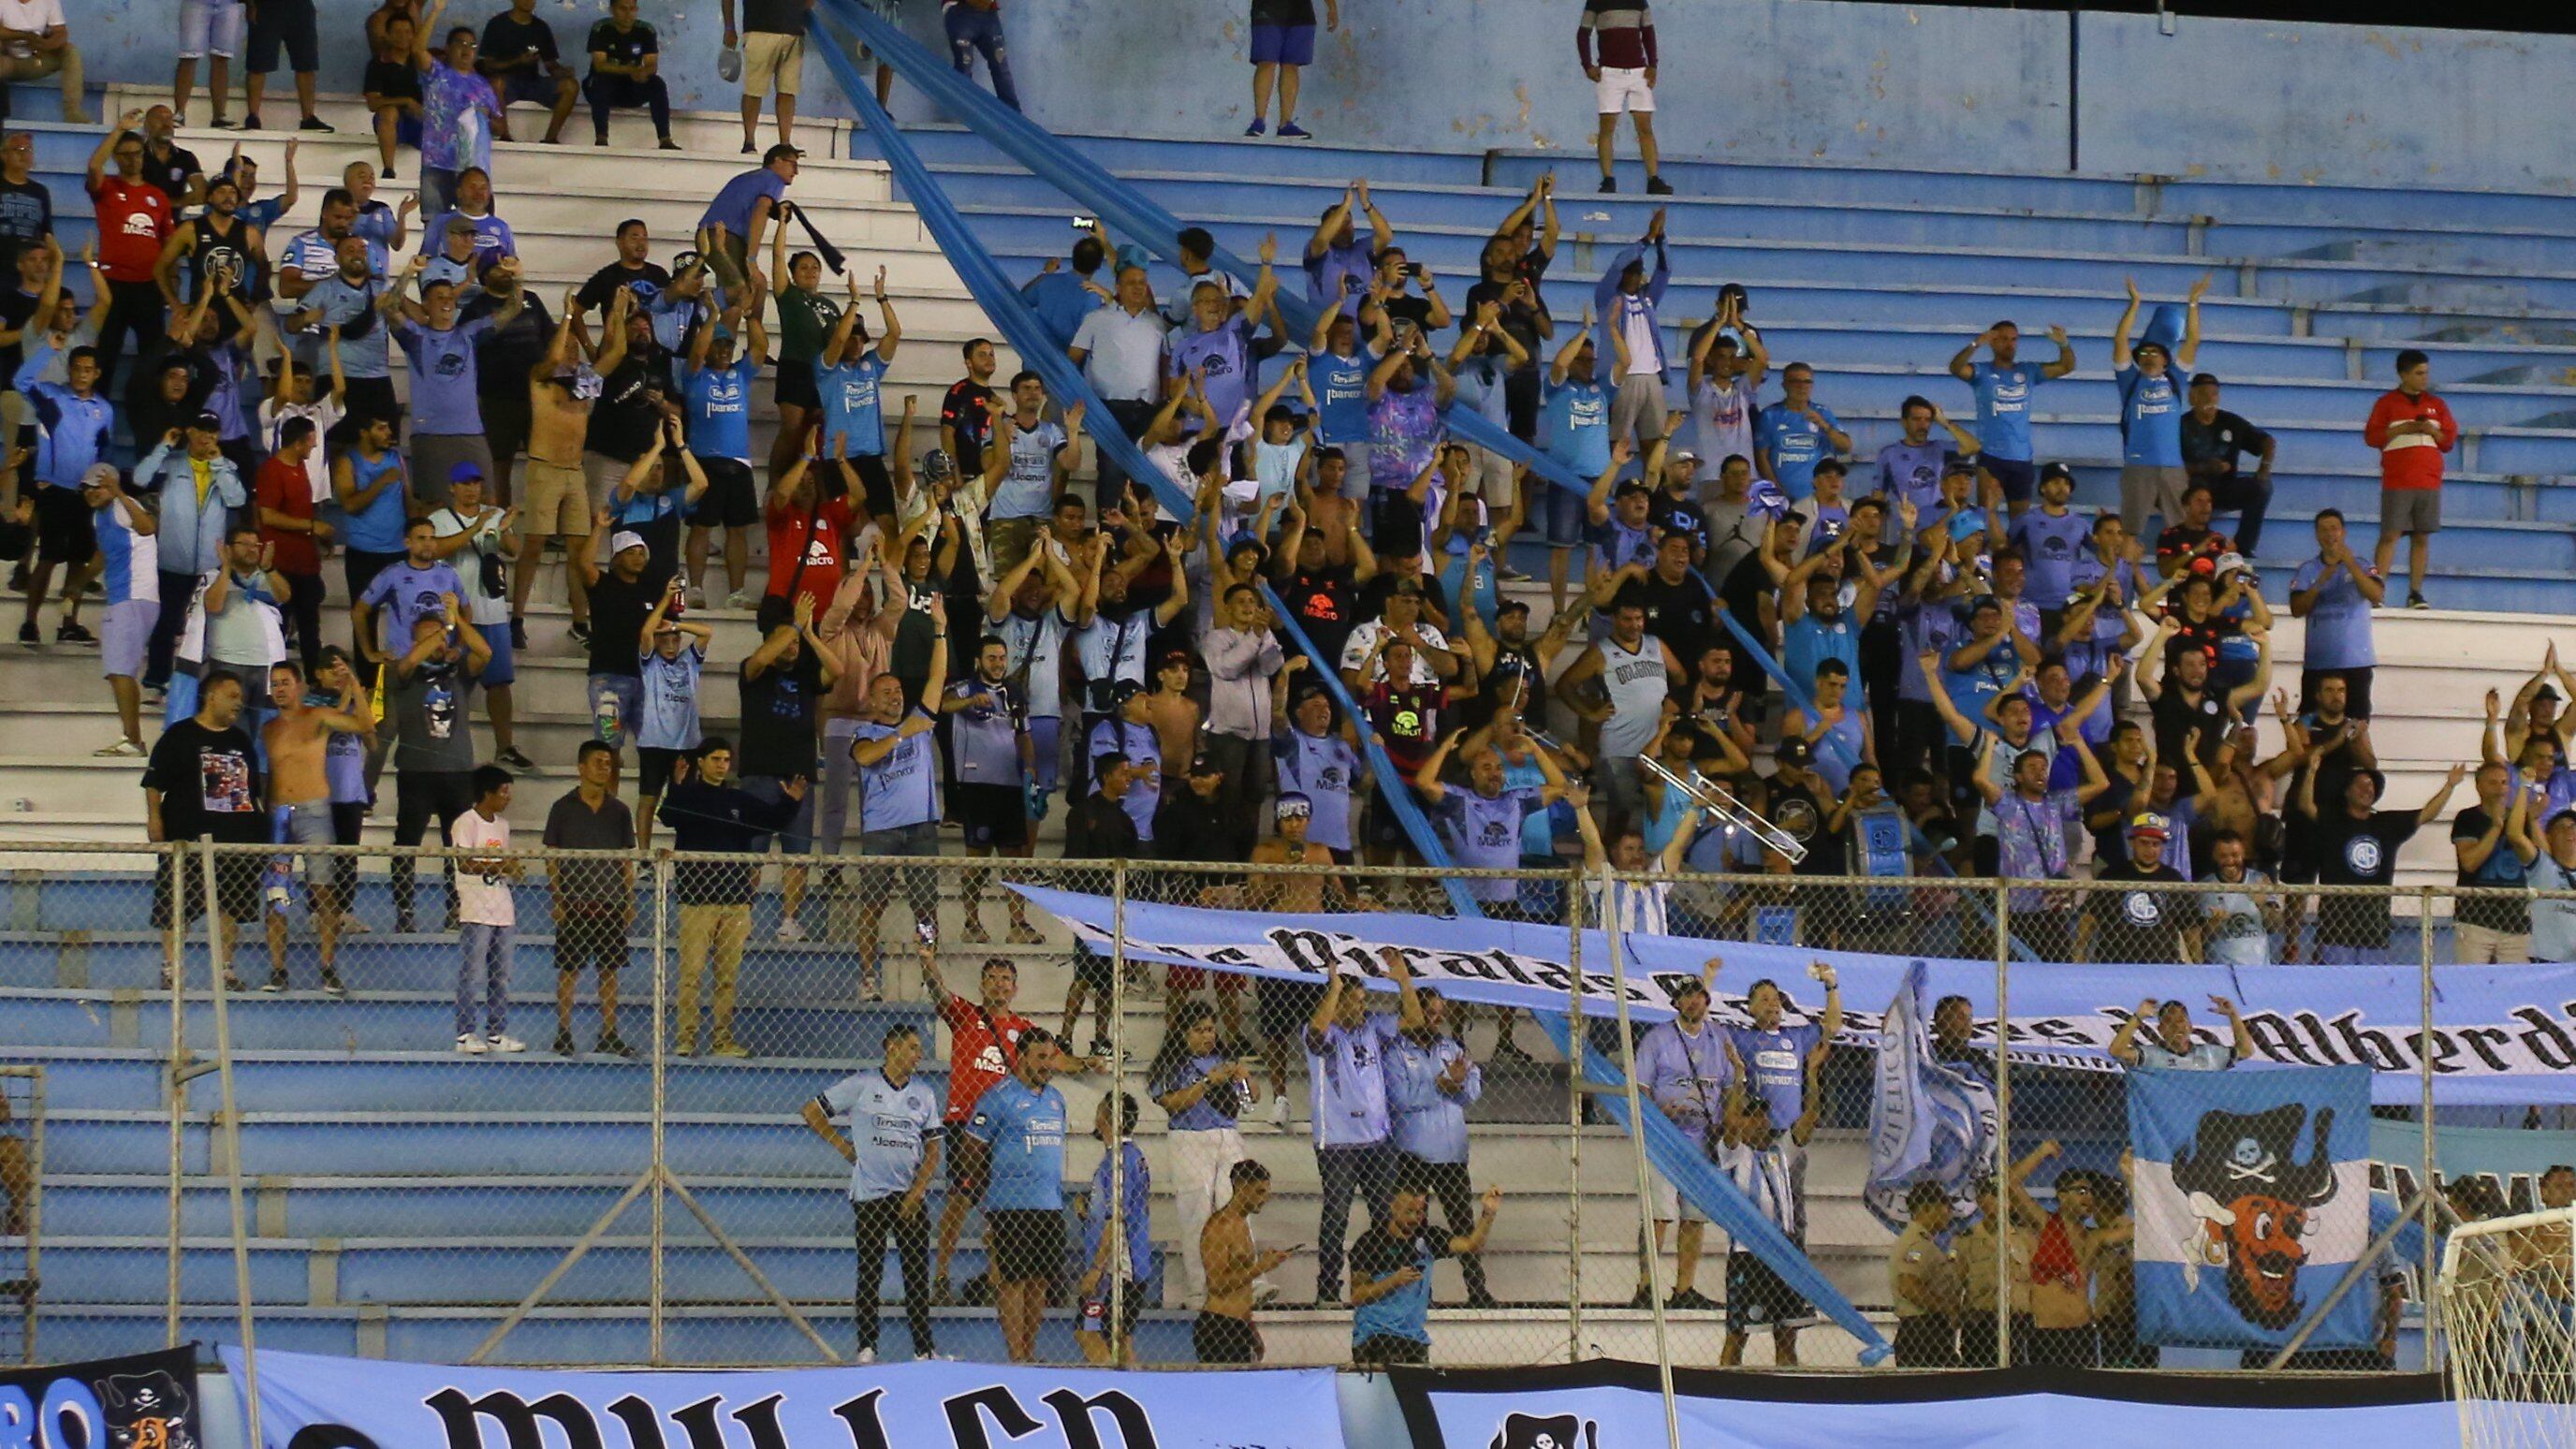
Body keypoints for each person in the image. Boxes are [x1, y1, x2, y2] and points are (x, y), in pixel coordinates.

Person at [805, 1020, 942, 1364]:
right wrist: (843, 1146)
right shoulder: (863, 1084)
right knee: (870, 1271)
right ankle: (867, 1346)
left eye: (920, 1048)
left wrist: (918, 1189)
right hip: (870, 1193)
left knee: (915, 1274)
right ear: (891, 1048)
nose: (918, 1054)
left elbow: (935, 1149)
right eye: (912, 1047)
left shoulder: (923, 1094)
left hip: (908, 1194)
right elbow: (812, 1111)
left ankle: (923, 1349)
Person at [659, 738, 804, 1057]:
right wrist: (676, 784)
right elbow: (667, 816)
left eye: (726, 759)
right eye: (716, 758)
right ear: (702, 761)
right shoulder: (689, 796)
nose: (722, 764)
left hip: (736, 899)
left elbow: (773, 820)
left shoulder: (739, 799)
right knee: (691, 974)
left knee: (727, 977)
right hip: (697, 900)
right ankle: (686, 1038)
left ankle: (722, 1040)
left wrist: (791, 802)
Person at [915, 940, 1032, 1309]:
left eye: (1006, 979)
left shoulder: (1025, 1030)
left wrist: (1085, 1062)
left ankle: (998, 1278)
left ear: (1015, 988)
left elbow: (1050, 1062)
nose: (999, 984)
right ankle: (942, 1276)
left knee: (1001, 1206)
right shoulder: (967, 1015)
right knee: (960, 1198)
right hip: (965, 1123)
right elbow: (938, 991)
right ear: (982, 985)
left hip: (1005, 1127)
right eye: (993, 978)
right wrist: (928, 961)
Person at [1306, 951, 1422, 1308]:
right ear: (1336, 1003)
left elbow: (1415, 1022)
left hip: (1377, 1139)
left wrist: (1404, 981)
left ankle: (1389, 1282)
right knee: (1337, 1215)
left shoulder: (1374, 1025)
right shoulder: (1324, 1033)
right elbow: (1315, 1035)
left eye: (1362, 1001)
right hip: (1338, 1141)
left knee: (1385, 1216)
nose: (1360, 1008)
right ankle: (1328, 1290)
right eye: (1352, 1002)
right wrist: (1334, 987)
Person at [143, 669, 264, 988]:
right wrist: (154, 819)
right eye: (233, 696)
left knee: (232, 908)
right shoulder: (179, 735)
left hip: (236, 840)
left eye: (241, 697)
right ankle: (171, 969)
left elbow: (255, 791)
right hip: (188, 837)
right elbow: (155, 782)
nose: (239, 703)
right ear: (212, 696)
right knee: (175, 905)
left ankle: (225, 969)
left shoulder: (241, 740)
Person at [961, 1026, 1069, 1364]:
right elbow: (972, 1146)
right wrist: (984, 1185)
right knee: (1012, 1280)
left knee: (1040, 1280)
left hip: (1049, 1204)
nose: (1047, 1065)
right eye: (1040, 1057)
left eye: (1051, 1058)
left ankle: (1030, 1350)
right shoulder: (998, 1097)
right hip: (1011, 1205)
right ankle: (1016, 1355)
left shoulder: (1056, 1100)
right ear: (1020, 1057)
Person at [1387, 980, 1493, 1310]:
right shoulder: (1395, 1051)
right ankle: (1420, 1295)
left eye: (1439, 1013)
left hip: (1451, 1155)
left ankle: (1478, 1291)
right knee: (1414, 1230)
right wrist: (1443, 1085)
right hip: (1413, 1153)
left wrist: (1457, 1084)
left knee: (1463, 1223)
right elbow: (1401, 1098)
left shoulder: (1450, 1047)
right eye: (1428, 1012)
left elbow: (1472, 1091)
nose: (1435, 1019)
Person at [383, 598, 488, 933]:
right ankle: (404, 908)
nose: (439, 644)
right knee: (406, 842)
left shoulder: (459, 673)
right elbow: (409, 660)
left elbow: (484, 653)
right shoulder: (405, 672)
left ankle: (456, 907)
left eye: (442, 638)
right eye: (430, 638)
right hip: (416, 772)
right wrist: (444, 630)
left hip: (458, 773)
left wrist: (458, 622)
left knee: (455, 847)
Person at [2296, 761, 2464, 962]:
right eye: (2360, 785)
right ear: (2346, 792)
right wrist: (2312, 770)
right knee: (2337, 987)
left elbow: (2427, 814)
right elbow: (2305, 805)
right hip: (2336, 930)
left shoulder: (2386, 825)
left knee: (2372, 988)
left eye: (2370, 786)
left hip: (2375, 931)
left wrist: (2450, 786)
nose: (2367, 790)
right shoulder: (2333, 821)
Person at [1631, 957, 1726, 1308]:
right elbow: (1640, 1089)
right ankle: (1646, 1287)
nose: (1693, 1001)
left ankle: (1684, 1290)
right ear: (1675, 1002)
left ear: (1707, 1000)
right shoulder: (1657, 1039)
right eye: (1686, 996)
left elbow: (1730, 1086)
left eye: (1699, 995)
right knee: (1658, 1215)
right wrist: (1659, 1113)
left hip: (1704, 1140)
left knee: (1694, 1218)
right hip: (1664, 1140)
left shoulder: (1719, 1039)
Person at [542, 739, 637, 1057]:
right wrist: (558, 899)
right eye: (598, 762)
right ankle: (563, 1032)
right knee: (569, 970)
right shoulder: (562, 808)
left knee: (610, 971)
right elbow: (551, 858)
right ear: (581, 767)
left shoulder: (619, 811)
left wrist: (629, 900)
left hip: (610, 904)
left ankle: (609, 1033)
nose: (604, 768)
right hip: (575, 904)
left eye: (608, 763)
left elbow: (626, 860)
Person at [1350, 1182, 1502, 1366]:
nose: (1415, 1218)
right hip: (1375, 1335)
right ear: (1392, 1206)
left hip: (1414, 1337)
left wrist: (1488, 1214)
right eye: (1409, 1212)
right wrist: (1393, 1281)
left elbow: (1471, 1245)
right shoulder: (1370, 1242)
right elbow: (1357, 1295)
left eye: (1420, 1212)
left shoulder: (1428, 1237)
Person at [2110, 274, 2208, 539]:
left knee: (2183, 531)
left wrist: (2193, 304)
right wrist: (2135, 305)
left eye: (2155, 352)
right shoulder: (2129, 380)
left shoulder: (2176, 379)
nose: (2149, 356)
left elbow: (2193, 342)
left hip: (2173, 466)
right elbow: (2120, 342)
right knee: (2130, 532)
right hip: (2137, 465)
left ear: (2166, 360)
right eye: (2143, 353)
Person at [2364, 348, 2458, 609]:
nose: (2424, 378)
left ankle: (2415, 592)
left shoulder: (2437, 405)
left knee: (2421, 536)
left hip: (2428, 478)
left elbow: (2449, 441)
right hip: (2398, 478)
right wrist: (2403, 428)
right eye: (2418, 373)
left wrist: (2431, 431)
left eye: (2426, 372)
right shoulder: (2387, 403)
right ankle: (2377, 590)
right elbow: (2372, 437)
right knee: (2390, 534)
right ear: (2403, 374)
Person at [1075, 1092, 1152, 1367]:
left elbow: (1115, 1220)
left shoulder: (1116, 1162)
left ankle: (1111, 1384)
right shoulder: (1133, 1156)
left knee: (1087, 1331)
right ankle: (1133, 1386)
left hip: (1116, 1269)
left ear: (1107, 1119)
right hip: (1135, 1261)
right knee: (1120, 1337)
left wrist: (1097, 1269)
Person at [411, 1, 506, 223]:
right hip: (437, 163)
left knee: (474, 226)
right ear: (448, 48)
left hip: (472, 169)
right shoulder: (437, 74)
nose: (467, 49)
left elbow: (500, 127)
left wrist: (483, 116)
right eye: (461, 43)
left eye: (472, 46)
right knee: (434, 223)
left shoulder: (483, 86)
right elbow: (417, 49)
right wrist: (435, 11)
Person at [86, 465, 158, 755]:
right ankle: (131, 738)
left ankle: (133, 740)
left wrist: (120, 494)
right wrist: (78, 584)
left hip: (134, 596)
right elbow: (103, 554)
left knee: (120, 671)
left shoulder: (125, 506)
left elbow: (148, 528)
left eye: (98, 486)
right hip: (123, 598)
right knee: (117, 672)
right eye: (87, 487)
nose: (91, 492)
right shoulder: (99, 516)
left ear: (113, 486)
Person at [449, 764, 520, 1053]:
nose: (508, 798)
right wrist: (501, 865)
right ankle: (465, 1034)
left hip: (502, 907)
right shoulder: (466, 823)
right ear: (486, 793)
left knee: (501, 975)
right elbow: (464, 863)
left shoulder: (502, 826)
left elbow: (503, 865)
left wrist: (510, 868)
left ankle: (496, 1032)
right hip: (476, 909)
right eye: (504, 792)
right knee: (472, 973)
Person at [1197, 1159, 1295, 1363]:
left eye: (1267, 1192)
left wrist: (1251, 1328)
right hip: (1218, 1326)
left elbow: (1241, 1287)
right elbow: (1216, 1285)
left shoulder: (1242, 1224)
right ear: (1241, 1187)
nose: (1265, 1198)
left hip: (1239, 1323)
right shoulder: (1220, 1226)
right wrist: (1261, 1267)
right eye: (1259, 1192)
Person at [2289, 508, 2380, 717]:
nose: (2330, 534)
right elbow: (2296, 609)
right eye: (2323, 530)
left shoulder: (2364, 565)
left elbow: (2376, 595)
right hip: (2318, 662)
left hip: (2356, 662)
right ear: (2316, 535)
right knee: (2310, 724)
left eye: (2334, 528)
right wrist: (2320, 581)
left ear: (2343, 532)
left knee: (2356, 724)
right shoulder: (2307, 569)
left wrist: (2350, 564)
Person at [2453, 762, 2541, 964]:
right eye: (2492, 783)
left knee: (2516, 985)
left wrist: (2534, 820)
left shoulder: (2520, 819)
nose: (2500, 789)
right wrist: (2495, 828)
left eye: (2504, 783)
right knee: (2471, 983)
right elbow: (2469, 863)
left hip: (2516, 920)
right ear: (2479, 786)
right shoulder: (2468, 818)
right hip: (2475, 919)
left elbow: (2542, 858)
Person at [2179, 374, 2274, 559]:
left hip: (2225, 488)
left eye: (2214, 394)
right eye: (2203, 394)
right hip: (2191, 490)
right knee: (2195, 490)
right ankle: (2195, 544)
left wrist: (2265, 467)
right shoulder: (2180, 425)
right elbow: (2170, 467)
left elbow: (2268, 441)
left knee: (2262, 488)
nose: (2209, 399)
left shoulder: (2231, 422)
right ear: (2192, 398)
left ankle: (2244, 547)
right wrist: (2204, 468)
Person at [1578, 0, 1667, 194]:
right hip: (1609, 73)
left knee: (1645, 127)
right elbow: (1583, 33)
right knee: (1607, 127)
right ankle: (1608, 179)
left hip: (1638, 72)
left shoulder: (1639, 2)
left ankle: (1653, 179)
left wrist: (1653, 66)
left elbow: (1648, 33)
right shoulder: (1595, 2)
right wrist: (1588, 65)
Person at [476, 0, 577, 146]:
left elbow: (550, 65)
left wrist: (563, 72)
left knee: (571, 86)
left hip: (533, 82)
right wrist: (518, 61)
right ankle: (504, 135)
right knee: (496, 83)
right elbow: (488, 64)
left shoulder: (541, 27)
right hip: (507, 84)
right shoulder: (497, 24)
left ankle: (550, 139)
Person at [722, 0, 814, 154]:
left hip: (792, 32)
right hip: (760, 29)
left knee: (788, 90)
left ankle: (785, 144)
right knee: (754, 90)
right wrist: (729, 28)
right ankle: (749, 142)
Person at [584, 0, 677, 149]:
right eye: (623, 9)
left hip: (631, 88)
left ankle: (665, 139)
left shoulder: (646, 30)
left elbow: (652, 65)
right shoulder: (601, 29)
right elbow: (600, 65)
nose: (628, 14)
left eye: (632, 9)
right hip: (604, 88)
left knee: (657, 84)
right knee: (600, 81)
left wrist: (643, 72)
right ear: (612, 10)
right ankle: (601, 138)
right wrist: (630, 70)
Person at [1889, 1181, 1961, 1367]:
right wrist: (1946, 1307)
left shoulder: (1922, 1241)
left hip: (1926, 1331)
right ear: (1929, 1208)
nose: (1949, 1214)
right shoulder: (1918, 1244)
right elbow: (1908, 1285)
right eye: (1945, 1208)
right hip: (1924, 1332)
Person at [1246, 0, 1335, 139]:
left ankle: (1285, 124)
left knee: (1292, 64)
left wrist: (1332, 8)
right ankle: (1259, 121)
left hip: (1301, 11)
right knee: (1266, 61)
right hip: (1267, 8)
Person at [242, 0, 329, 132]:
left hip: (300, 7)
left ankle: (308, 117)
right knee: (258, 64)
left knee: (306, 64)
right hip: (265, 7)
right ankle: (253, 116)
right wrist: (251, 4)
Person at [2110, 996, 2254, 1071]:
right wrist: (2138, 1017)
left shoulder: (2210, 1053)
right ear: (2161, 1030)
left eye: (2181, 1020)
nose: (2177, 1026)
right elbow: (2116, 1051)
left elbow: (2246, 1051)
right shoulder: (2150, 1055)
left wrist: (2233, 1015)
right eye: (2170, 1022)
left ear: (2190, 1027)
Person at [0, 0, 86, 123]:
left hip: (36, 60)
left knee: (70, 51)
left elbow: (60, 32)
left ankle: (73, 113)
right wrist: (24, 35)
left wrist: (45, 45)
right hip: (7, 62)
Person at [942, 0, 1018, 112]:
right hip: (959, 9)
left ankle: (1013, 116)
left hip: (987, 11)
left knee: (1000, 66)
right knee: (964, 65)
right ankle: (962, 113)